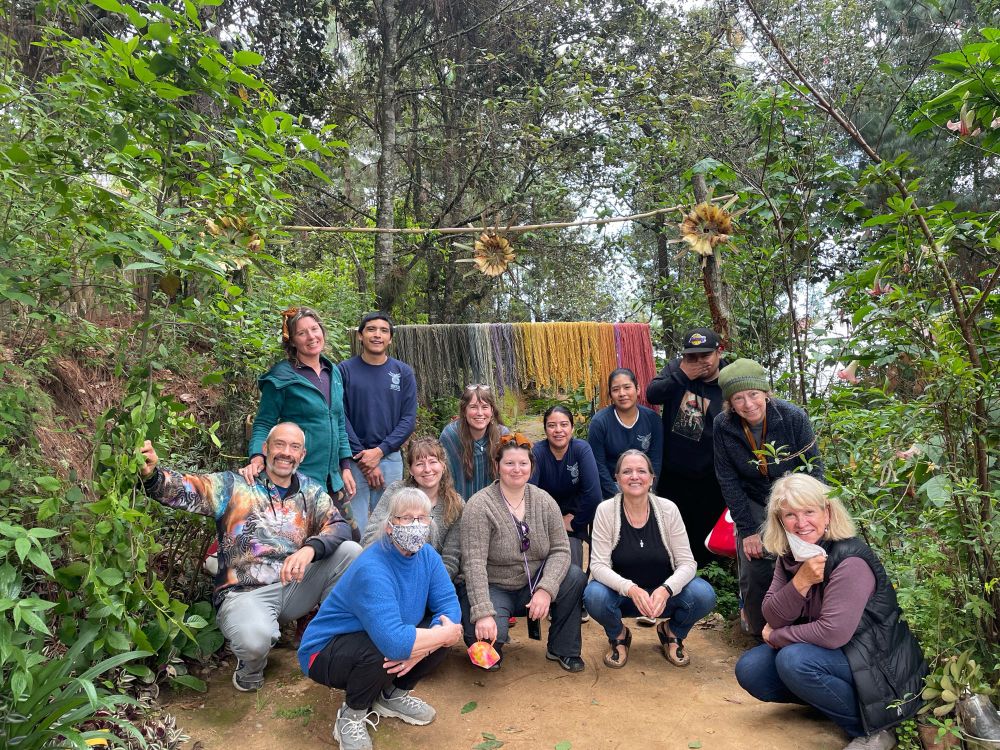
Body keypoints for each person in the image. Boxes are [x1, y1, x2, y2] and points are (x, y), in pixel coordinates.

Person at [139, 422, 361, 692]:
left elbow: (339, 526)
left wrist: (310, 548)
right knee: (256, 640)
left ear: (302, 455)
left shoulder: (311, 491)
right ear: (265, 449)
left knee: (350, 553)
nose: (286, 453)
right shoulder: (235, 485)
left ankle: (325, 639)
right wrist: (153, 475)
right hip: (244, 593)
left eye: (294, 447)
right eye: (279, 444)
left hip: (292, 587)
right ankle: (250, 667)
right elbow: (188, 488)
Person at [735, 474, 926, 750]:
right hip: (836, 655)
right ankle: (833, 702)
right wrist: (801, 581)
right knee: (751, 670)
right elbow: (772, 614)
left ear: (827, 513)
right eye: (790, 515)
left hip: (878, 664)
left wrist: (778, 636)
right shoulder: (792, 553)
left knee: (794, 660)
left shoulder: (850, 559)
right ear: (779, 520)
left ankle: (875, 729)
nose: (801, 523)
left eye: (809, 512)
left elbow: (832, 632)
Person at [298, 487, 463, 750]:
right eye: (406, 518)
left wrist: (426, 646)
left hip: (381, 636)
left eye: (422, 518)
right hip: (324, 651)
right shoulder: (372, 567)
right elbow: (394, 644)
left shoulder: (429, 557)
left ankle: (391, 696)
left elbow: (448, 605)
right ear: (389, 526)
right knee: (385, 650)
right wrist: (440, 637)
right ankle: (350, 716)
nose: (416, 525)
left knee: (440, 628)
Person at [714, 358, 824, 638]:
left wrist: (813, 514)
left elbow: (815, 469)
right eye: (738, 398)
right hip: (753, 499)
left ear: (765, 392)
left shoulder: (792, 416)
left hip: (793, 497)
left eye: (753, 394)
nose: (748, 404)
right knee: (754, 568)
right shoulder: (723, 425)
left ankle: (799, 631)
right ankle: (759, 635)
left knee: (803, 557)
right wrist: (748, 530)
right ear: (730, 403)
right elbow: (727, 478)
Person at [459, 433, 587, 672]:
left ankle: (563, 648)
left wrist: (546, 589)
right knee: (487, 651)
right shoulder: (479, 506)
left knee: (574, 577)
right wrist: (483, 612)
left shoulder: (544, 501)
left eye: (523, 463)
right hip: (494, 586)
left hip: (534, 582)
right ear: (497, 466)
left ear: (531, 466)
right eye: (509, 463)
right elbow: (473, 563)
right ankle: (482, 629)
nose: (516, 469)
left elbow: (561, 549)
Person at [584, 450, 716, 669]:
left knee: (704, 595)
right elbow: (597, 565)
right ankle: (618, 636)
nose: (634, 476)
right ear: (616, 478)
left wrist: (666, 589)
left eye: (641, 471)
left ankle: (672, 632)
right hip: (622, 596)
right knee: (593, 596)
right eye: (627, 472)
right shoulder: (606, 511)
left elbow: (688, 563)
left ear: (652, 478)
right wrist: (631, 589)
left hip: (661, 597)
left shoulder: (668, 509)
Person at [242, 308, 357, 533]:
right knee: (303, 542)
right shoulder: (281, 377)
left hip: (332, 481)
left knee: (349, 539)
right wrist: (257, 456)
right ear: (292, 341)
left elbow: (339, 421)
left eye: (314, 329)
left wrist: (345, 466)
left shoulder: (332, 372)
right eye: (302, 333)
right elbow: (264, 422)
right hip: (299, 479)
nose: (311, 337)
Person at [646, 327, 729, 568]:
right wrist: (683, 376)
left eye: (705, 356)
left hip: (713, 477)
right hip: (676, 475)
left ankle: (710, 586)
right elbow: (653, 394)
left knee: (708, 540)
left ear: (719, 352)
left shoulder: (728, 378)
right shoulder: (676, 370)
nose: (698, 362)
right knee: (674, 536)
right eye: (691, 356)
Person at [339, 311, 417, 533]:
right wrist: (364, 457)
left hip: (390, 458)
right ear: (360, 336)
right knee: (355, 526)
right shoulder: (344, 371)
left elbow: (408, 419)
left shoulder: (402, 373)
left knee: (391, 523)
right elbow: (339, 416)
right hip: (354, 461)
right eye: (371, 329)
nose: (377, 335)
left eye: (384, 331)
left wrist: (379, 452)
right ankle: (357, 567)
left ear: (390, 338)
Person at [361, 437, 464, 580]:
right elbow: (370, 537)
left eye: (433, 462)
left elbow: (451, 559)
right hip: (389, 570)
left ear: (443, 465)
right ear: (410, 469)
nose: (427, 469)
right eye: (420, 464)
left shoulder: (455, 504)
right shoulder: (396, 491)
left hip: (431, 577)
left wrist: (428, 582)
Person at [529, 405, 602, 569]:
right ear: (545, 430)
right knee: (541, 568)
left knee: (572, 569)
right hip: (543, 523)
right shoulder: (537, 453)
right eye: (552, 425)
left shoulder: (581, 449)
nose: (558, 430)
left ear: (572, 427)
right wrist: (554, 522)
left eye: (564, 424)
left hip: (574, 520)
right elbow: (529, 495)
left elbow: (594, 495)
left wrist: (575, 523)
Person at [587, 368, 663, 501]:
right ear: (610, 394)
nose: (622, 393)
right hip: (611, 489)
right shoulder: (599, 423)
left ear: (637, 389)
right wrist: (617, 497)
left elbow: (655, 460)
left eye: (627, 387)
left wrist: (648, 490)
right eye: (616, 389)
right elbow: (598, 465)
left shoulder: (653, 420)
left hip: (643, 485)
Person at [439, 384, 510, 501]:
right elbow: (443, 477)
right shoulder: (450, 436)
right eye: (473, 407)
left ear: (492, 410)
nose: (480, 413)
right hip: (459, 507)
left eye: (485, 407)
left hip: (493, 507)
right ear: (464, 410)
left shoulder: (503, 435)